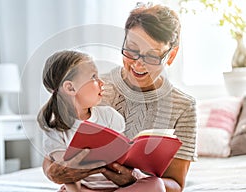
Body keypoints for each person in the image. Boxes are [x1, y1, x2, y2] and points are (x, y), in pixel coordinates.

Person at [43, 2, 197, 192]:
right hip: (88, 187)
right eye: (131, 50)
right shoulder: (93, 88)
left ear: (171, 55)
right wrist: (54, 172)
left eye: (152, 56)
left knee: (155, 186)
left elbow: (175, 184)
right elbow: (53, 151)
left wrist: (133, 179)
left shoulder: (184, 106)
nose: (138, 64)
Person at [37, 50, 126, 192]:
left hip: (119, 186)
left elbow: (123, 155)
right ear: (70, 87)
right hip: (87, 189)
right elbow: (68, 173)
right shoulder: (55, 131)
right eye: (94, 77)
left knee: (155, 185)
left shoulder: (109, 116)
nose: (102, 82)